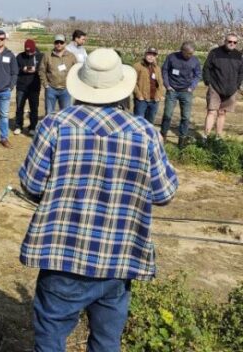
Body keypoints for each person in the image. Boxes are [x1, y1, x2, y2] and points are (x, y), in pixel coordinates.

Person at [18, 48, 178, 351]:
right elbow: (165, 193)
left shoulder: (55, 125)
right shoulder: (144, 133)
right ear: (121, 88)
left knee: (50, 337)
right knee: (106, 342)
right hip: (118, 257)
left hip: (62, 253)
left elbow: (31, 183)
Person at [160, 41, 202, 147]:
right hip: (172, 91)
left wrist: (192, 87)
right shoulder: (172, 57)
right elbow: (164, 70)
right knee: (167, 115)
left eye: (192, 53)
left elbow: (198, 75)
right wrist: (167, 85)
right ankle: (163, 136)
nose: (190, 55)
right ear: (182, 51)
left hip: (186, 92)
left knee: (185, 117)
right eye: (188, 53)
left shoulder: (195, 60)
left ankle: (182, 141)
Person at [202, 33, 243, 138]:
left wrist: (237, 85)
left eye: (234, 42)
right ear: (225, 41)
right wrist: (208, 82)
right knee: (211, 112)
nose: (232, 44)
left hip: (231, 90)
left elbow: (241, 72)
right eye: (230, 41)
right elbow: (206, 68)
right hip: (215, 87)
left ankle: (218, 137)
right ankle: (205, 136)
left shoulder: (238, 56)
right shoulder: (215, 53)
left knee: (222, 113)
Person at [39, 34, 76, 115]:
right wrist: (46, 85)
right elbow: (42, 70)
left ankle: (63, 128)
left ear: (65, 43)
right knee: (49, 113)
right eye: (57, 42)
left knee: (65, 114)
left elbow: (76, 71)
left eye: (61, 42)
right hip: (51, 89)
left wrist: (72, 85)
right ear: (54, 43)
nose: (59, 44)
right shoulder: (47, 55)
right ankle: (49, 127)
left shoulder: (71, 56)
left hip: (66, 90)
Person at [14, 39, 43, 135]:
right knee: (19, 107)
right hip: (21, 86)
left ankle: (33, 127)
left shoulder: (40, 56)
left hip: (34, 87)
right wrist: (23, 69)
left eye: (31, 51)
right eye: (27, 51)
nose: (29, 53)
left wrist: (36, 69)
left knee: (34, 108)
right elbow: (15, 69)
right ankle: (18, 126)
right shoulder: (20, 56)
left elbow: (44, 68)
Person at [133, 47, 164, 124]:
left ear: (155, 57)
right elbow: (133, 82)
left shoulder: (157, 68)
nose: (151, 57)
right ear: (145, 54)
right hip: (142, 100)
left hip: (154, 101)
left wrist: (159, 95)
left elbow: (160, 83)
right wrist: (139, 95)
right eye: (149, 54)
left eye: (153, 55)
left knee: (150, 122)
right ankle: (138, 135)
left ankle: (148, 136)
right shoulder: (137, 66)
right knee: (138, 122)